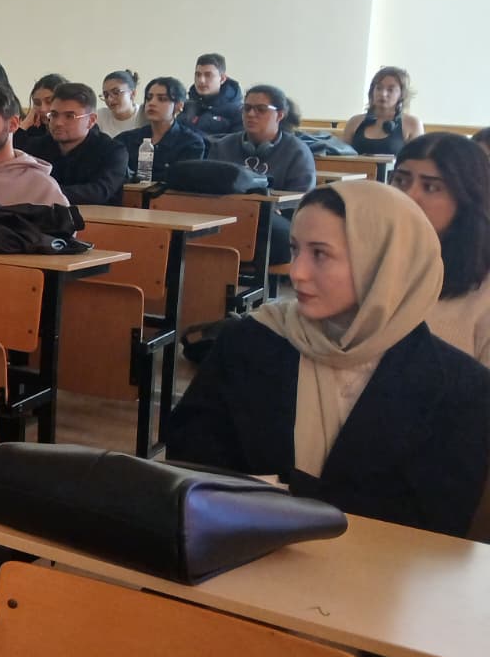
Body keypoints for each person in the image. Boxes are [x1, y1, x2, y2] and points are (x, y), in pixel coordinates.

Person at [169, 182, 489, 538]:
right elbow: (190, 458)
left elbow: (436, 521)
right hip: (242, 550)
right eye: (295, 249)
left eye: (320, 254)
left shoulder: (461, 388)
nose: (297, 272)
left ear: (382, 265)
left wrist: (286, 494)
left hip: (377, 567)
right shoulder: (249, 341)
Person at [392, 133, 490, 365]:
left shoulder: (483, 295)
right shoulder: (369, 261)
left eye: (431, 187)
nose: (409, 196)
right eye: (401, 181)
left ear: (466, 198)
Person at [206, 83, 316, 262]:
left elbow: (302, 202)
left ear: (280, 115)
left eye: (261, 109)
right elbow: (208, 188)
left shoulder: (297, 151)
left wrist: (272, 207)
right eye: (247, 108)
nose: (251, 114)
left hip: (271, 223)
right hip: (228, 216)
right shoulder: (223, 146)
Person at [31, 81, 129, 205]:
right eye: (54, 115)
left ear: (91, 120)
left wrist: (44, 193)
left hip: (96, 216)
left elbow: (99, 192)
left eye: (69, 116)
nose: (58, 123)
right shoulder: (36, 147)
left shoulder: (113, 151)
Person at [114, 77, 208, 182]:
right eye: (149, 98)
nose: (152, 103)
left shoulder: (191, 143)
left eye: (162, 99)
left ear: (179, 106)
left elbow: (184, 182)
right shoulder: (126, 139)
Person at [342, 66, 423, 155]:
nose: (383, 94)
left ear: (402, 94)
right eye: (379, 88)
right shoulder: (354, 122)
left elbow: (417, 159)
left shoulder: (412, 123)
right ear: (372, 91)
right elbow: (341, 157)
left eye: (390, 90)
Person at [182, 52, 243, 137]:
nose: (201, 80)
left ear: (222, 79)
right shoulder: (184, 106)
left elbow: (235, 143)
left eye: (208, 75)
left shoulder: (238, 112)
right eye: (198, 75)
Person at [14, 75, 61, 156]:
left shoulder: (64, 133)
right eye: (37, 103)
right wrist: (26, 123)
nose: (42, 109)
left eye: (49, 101)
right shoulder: (34, 130)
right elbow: (15, 152)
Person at [99, 69, 146, 136]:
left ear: (132, 94)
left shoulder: (144, 116)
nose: (109, 99)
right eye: (106, 95)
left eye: (116, 92)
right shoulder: (100, 116)